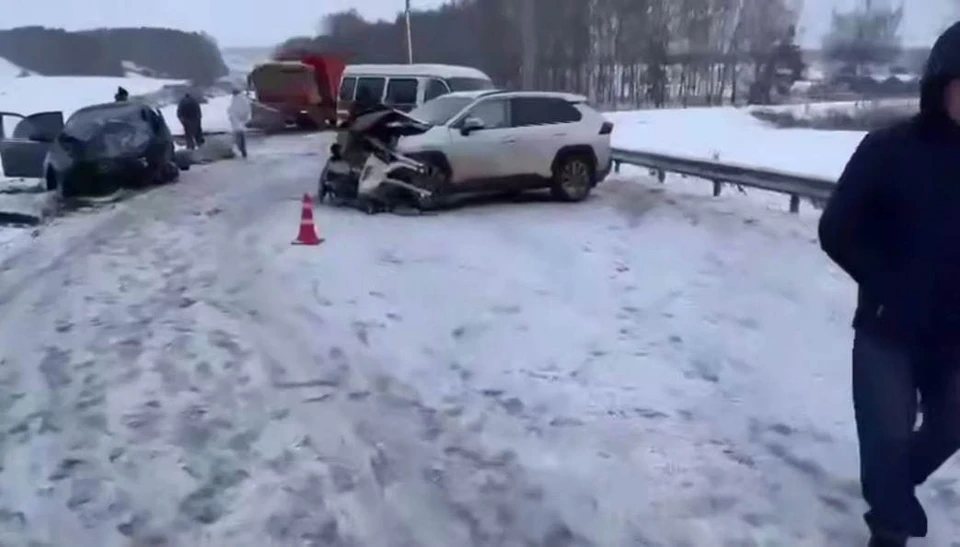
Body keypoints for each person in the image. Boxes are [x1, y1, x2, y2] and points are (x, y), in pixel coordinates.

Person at [818, 21, 960, 547]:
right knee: (888, 436)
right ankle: (890, 524)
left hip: (952, 334)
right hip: (889, 328)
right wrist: (889, 287)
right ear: (940, 82)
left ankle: (892, 488)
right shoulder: (889, 149)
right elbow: (836, 228)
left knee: (949, 427)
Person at [227, 88, 252, 158]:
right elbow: (247, 109)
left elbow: (234, 109)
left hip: (237, 121)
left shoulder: (238, 99)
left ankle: (242, 149)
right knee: (241, 136)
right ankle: (242, 150)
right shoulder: (243, 99)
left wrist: (230, 113)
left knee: (239, 136)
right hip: (240, 121)